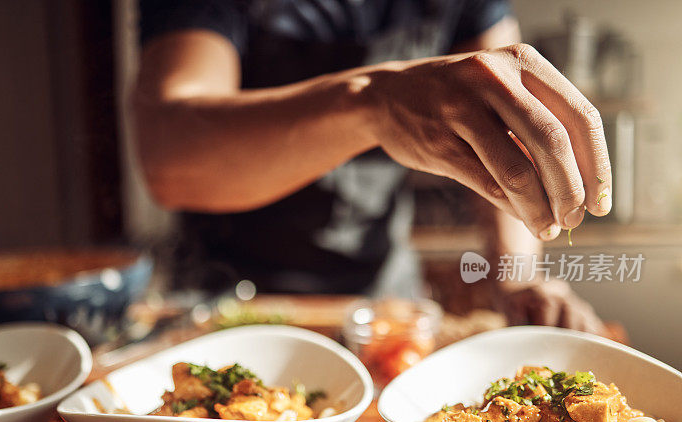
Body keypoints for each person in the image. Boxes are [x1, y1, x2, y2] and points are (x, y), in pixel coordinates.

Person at [132, 0, 608, 334]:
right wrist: (371, 104)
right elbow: (168, 159)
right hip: (230, 303)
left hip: (385, 303)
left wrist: (517, 272)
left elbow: (504, 121)